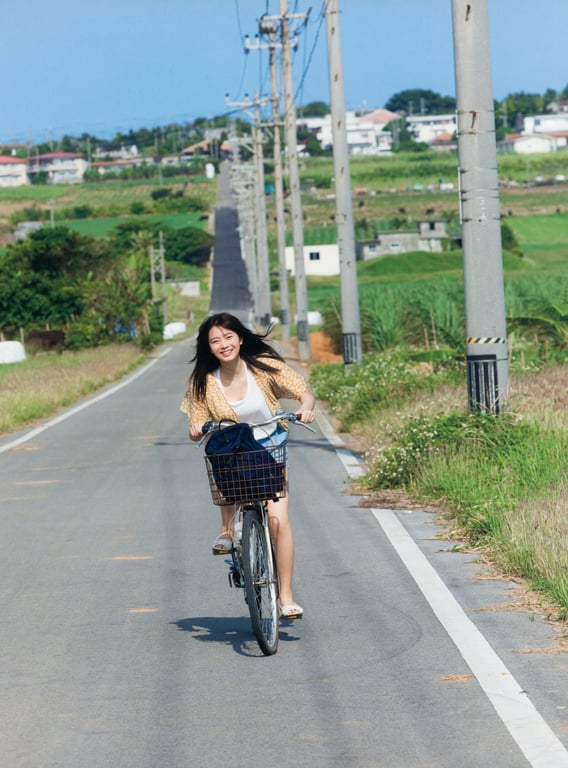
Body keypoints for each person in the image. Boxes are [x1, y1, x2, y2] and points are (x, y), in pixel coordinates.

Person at [180, 312, 316, 620]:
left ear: (241, 338)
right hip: (233, 449)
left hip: (270, 447)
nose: (224, 345)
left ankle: (285, 598)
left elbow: (302, 392)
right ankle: (227, 530)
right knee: (223, 461)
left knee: (279, 521)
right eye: (215, 341)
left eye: (229, 337)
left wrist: (305, 408)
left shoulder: (263, 367)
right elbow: (195, 423)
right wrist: (198, 428)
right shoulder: (202, 382)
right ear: (208, 347)